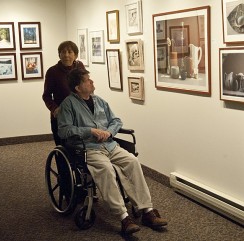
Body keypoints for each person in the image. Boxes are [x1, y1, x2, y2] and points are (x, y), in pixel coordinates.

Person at [57, 68, 168, 235]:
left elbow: (116, 120)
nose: (92, 82)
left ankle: (147, 210)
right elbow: (64, 131)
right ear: (78, 87)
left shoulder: (99, 101)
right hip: (88, 149)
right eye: (87, 80)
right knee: (106, 169)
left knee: (132, 162)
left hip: (109, 145)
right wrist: (90, 131)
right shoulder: (68, 105)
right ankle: (123, 217)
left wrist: (109, 132)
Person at [42, 41, 85, 145]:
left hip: (79, 114)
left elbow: (85, 87)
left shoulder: (80, 67)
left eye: (70, 52)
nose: (66, 55)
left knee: (79, 146)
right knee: (62, 146)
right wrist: (54, 109)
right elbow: (46, 95)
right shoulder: (52, 71)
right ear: (59, 54)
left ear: (75, 55)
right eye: (63, 52)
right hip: (61, 116)